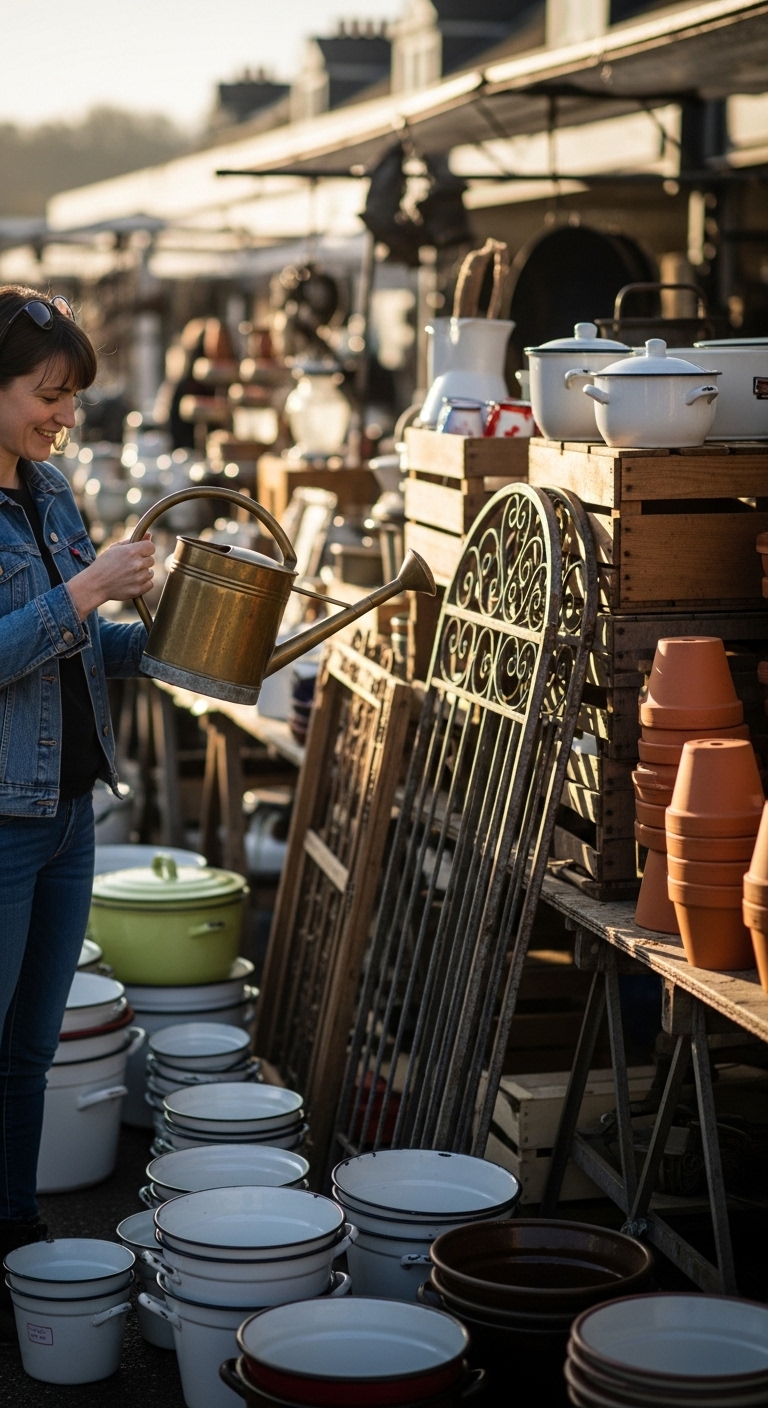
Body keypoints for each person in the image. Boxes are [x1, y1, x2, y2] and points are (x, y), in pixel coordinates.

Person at [0, 285, 154, 1336]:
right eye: (49, 394)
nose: (64, 415)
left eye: (71, 397)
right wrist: (90, 590)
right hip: (2, 821)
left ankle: (10, 1231)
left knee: (30, 1049)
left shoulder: (50, 492)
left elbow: (74, 647)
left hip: (65, 811)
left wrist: (177, 641)